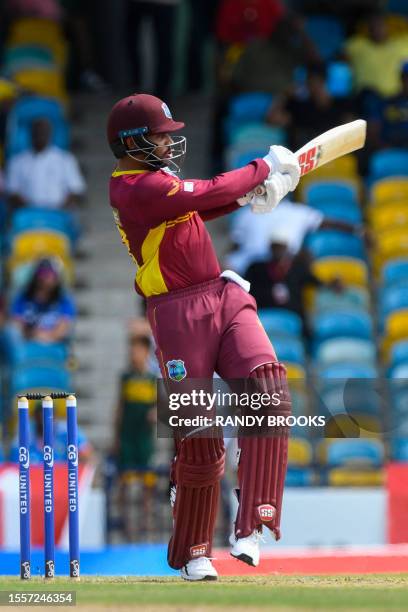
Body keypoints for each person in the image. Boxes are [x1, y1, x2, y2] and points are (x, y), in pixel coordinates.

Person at [107, 93, 299, 580]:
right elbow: (200, 193)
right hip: (176, 314)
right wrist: (262, 168)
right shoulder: (133, 189)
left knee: (269, 391)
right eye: (162, 135)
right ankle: (194, 550)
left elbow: (201, 206)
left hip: (222, 293)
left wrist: (247, 196)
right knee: (200, 436)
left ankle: (254, 520)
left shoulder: (155, 184)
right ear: (132, 142)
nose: (171, 142)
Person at [226, 197, 365, 275]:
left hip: (286, 264)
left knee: (305, 257)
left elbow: (328, 223)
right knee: (227, 268)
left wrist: (359, 230)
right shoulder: (247, 212)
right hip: (251, 264)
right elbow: (235, 245)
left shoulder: (298, 211)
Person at [245, 229, 342, 338]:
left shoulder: (298, 268)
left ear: (287, 248)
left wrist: (332, 283)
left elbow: (316, 282)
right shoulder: (256, 268)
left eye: (281, 247)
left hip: (294, 312)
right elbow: (246, 290)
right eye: (275, 247)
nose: (278, 251)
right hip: (264, 311)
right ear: (270, 247)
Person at [111, 326, 157, 541]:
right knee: (125, 480)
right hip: (128, 436)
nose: (134, 354)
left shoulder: (152, 379)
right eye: (132, 350)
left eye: (137, 350)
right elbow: (119, 407)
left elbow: (163, 405)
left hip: (145, 438)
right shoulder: (126, 378)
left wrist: (157, 413)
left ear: (146, 352)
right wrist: (116, 437)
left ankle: (146, 522)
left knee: (147, 480)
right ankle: (124, 521)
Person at [268, 63, 356, 152]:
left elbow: (351, 134)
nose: (313, 84)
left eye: (317, 81)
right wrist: (284, 95)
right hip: (303, 158)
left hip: (334, 156)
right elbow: (273, 120)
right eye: (309, 81)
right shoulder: (299, 106)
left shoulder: (342, 105)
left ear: (324, 81)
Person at [6, 118, 86, 210]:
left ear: (50, 133)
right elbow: (12, 191)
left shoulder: (66, 159)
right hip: (26, 215)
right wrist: (31, 209)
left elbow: (76, 190)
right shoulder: (17, 161)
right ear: (31, 133)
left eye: (43, 131)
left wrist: (59, 208)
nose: (40, 135)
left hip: (59, 214)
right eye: (37, 131)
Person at [344, 10, 408, 98]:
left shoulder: (401, 44)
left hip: (394, 97)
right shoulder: (357, 44)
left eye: (380, 25)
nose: (376, 29)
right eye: (372, 26)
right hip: (364, 97)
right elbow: (342, 58)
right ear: (367, 28)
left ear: (387, 26)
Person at [10, 258, 76, 343]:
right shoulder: (22, 298)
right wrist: (33, 334)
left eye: (51, 275)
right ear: (35, 277)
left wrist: (46, 336)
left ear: (58, 279)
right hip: (26, 347)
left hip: (55, 348)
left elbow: (63, 328)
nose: (46, 279)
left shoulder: (65, 300)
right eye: (43, 274)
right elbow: (17, 326)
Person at [367, 61, 408, 150]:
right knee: (381, 162)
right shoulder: (387, 103)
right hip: (391, 151)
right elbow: (373, 130)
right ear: (402, 79)